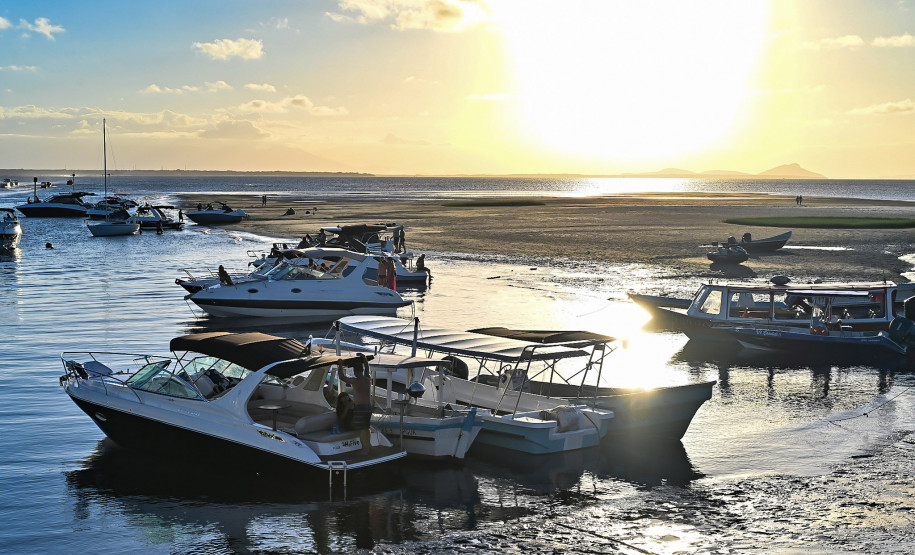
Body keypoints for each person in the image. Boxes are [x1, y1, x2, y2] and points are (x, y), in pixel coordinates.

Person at [337, 353, 373, 453]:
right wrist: (364, 358)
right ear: (361, 370)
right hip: (368, 407)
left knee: (362, 429)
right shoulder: (367, 378)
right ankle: (369, 446)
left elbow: (341, 376)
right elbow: (367, 368)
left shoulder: (355, 381)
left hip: (360, 408)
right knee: (367, 428)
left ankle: (365, 449)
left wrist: (340, 364)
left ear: (355, 371)